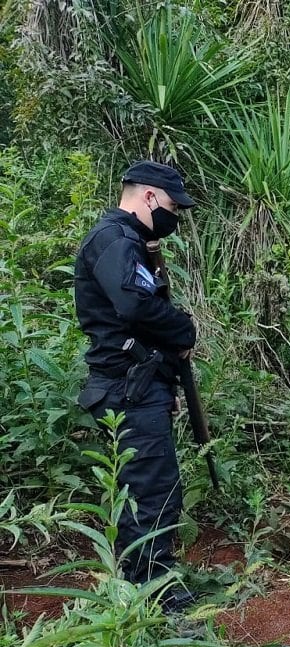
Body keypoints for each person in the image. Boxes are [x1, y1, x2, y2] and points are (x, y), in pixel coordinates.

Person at [74, 160, 198, 612]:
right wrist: (182, 330)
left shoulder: (129, 241)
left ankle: (144, 580)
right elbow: (132, 304)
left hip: (140, 385)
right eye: (170, 206)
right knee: (151, 490)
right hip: (128, 389)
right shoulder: (113, 239)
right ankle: (155, 593)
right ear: (147, 197)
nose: (174, 217)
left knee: (148, 485)